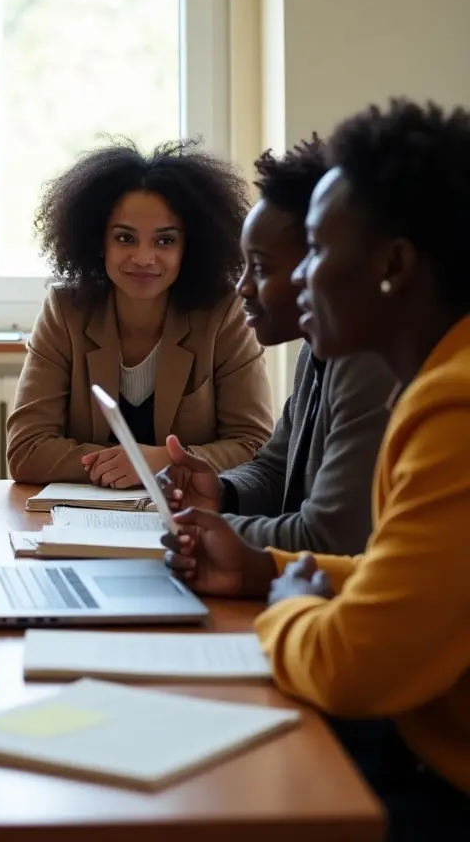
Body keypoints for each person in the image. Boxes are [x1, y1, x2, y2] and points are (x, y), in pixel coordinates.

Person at [162, 100, 470, 840]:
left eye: (319, 252)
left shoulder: (455, 406)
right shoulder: (434, 380)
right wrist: (266, 567)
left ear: (393, 265)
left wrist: (285, 603)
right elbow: (406, 582)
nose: (301, 280)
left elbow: (348, 663)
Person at [157, 138, 394, 552]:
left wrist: (206, 534)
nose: (242, 286)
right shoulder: (316, 349)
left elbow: (329, 538)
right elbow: (275, 467)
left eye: (262, 268)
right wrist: (222, 493)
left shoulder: (369, 362)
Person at [6, 140, 273, 485]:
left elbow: (256, 446)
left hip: (186, 518)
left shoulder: (224, 313)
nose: (144, 257)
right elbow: (26, 451)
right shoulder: (66, 311)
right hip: (80, 522)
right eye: (125, 238)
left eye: (165, 241)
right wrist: (126, 463)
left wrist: (165, 461)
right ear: (97, 243)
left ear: (190, 247)